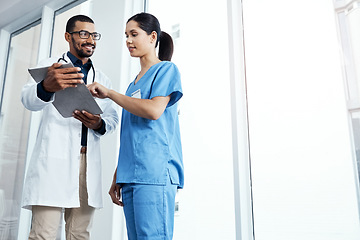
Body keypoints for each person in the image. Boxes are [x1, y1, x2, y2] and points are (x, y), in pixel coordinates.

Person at [21, 15, 118, 240]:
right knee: (43, 233)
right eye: (83, 34)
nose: (90, 40)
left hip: (87, 161)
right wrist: (46, 86)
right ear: (68, 37)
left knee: (80, 234)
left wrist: (99, 123)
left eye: (94, 35)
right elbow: (27, 99)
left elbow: (112, 119)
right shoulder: (49, 67)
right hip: (54, 161)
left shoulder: (102, 78)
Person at [87, 12, 184, 240]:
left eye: (134, 34)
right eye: (126, 36)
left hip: (155, 173)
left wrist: (110, 93)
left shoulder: (167, 70)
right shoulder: (133, 86)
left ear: (152, 37)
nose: (128, 41)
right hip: (131, 176)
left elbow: (153, 110)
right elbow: (132, 137)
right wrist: (118, 175)